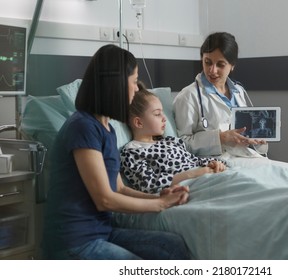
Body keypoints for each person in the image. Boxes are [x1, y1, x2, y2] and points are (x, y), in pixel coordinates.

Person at [42, 44, 190, 260]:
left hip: (102, 233)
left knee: (171, 246)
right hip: (73, 243)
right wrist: (159, 205)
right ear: (117, 84)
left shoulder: (107, 129)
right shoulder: (82, 127)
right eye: (133, 81)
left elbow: (119, 188)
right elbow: (105, 199)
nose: (137, 89)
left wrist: (158, 195)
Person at [173, 32, 266, 157]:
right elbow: (180, 144)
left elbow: (246, 136)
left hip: (246, 156)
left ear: (232, 65)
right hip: (215, 162)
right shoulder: (188, 96)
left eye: (220, 65)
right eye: (207, 62)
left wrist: (258, 142)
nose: (212, 70)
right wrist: (220, 138)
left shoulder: (238, 91)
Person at [121, 84, 226, 194]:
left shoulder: (171, 141)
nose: (164, 118)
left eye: (162, 112)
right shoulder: (132, 152)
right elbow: (149, 184)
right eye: (157, 114)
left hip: (208, 176)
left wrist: (215, 163)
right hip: (188, 187)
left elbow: (195, 160)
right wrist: (195, 173)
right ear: (138, 122)